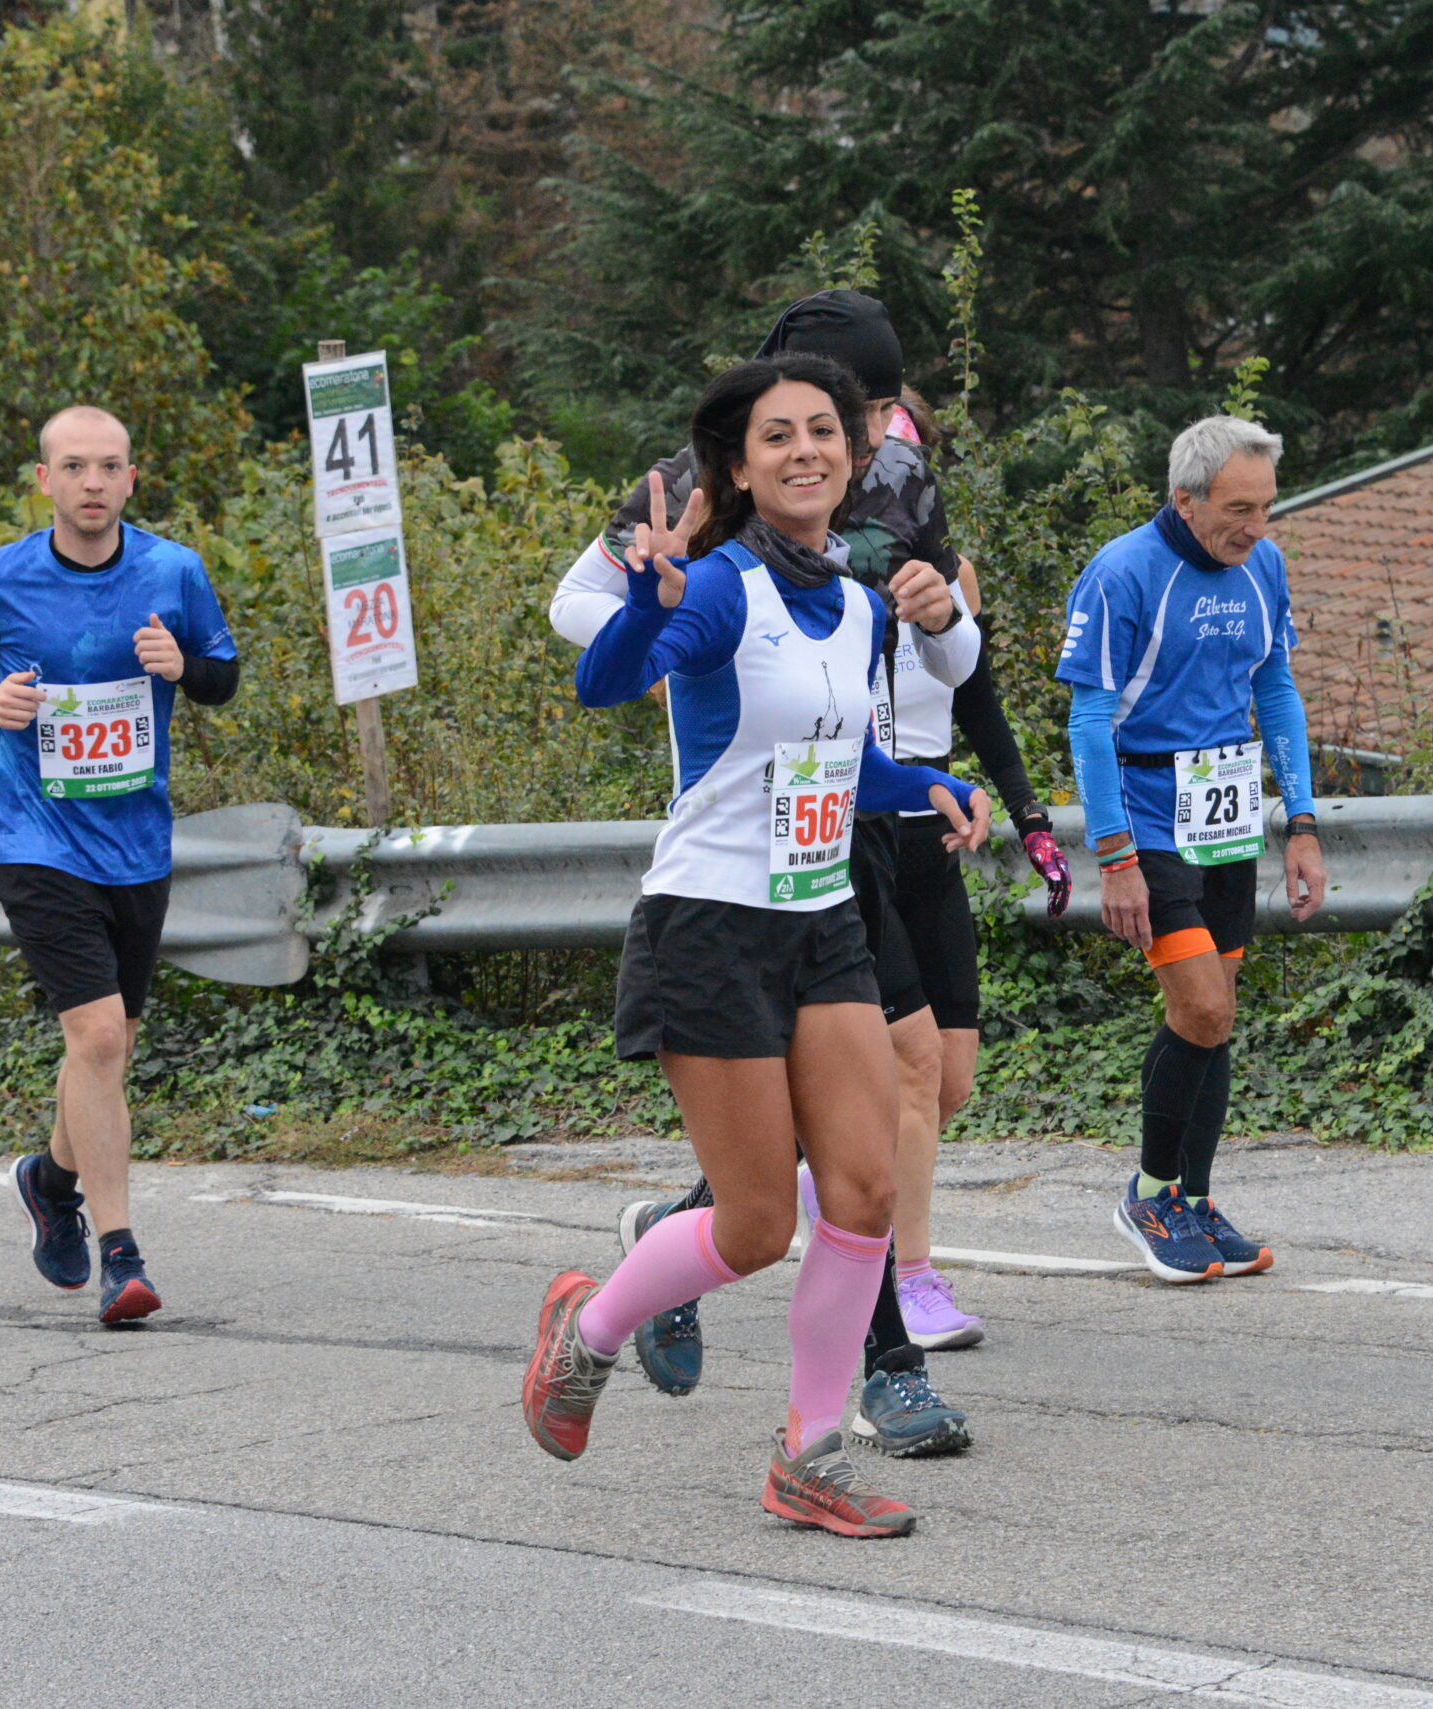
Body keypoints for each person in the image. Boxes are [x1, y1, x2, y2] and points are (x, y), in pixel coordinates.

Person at [550, 291, 1068, 1456]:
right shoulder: (721, 580)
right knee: (748, 1226)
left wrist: (926, 785)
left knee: (865, 1190)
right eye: (777, 435)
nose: (805, 450)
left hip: (820, 908)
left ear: (861, 447)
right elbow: (607, 683)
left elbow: (839, 757)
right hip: (712, 922)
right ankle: (588, 1329)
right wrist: (646, 597)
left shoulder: (849, 600)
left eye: (824, 432)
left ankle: (811, 1452)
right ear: (740, 463)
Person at [0, 406, 241, 1326]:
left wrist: (181, 665)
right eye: (74, 466)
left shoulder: (173, 570)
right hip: (36, 838)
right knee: (99, 1038)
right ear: (45, 480)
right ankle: (122, 1255)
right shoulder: (1, 574)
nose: (93, 483)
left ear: (131, 480)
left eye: (109, 467)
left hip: (136, 844)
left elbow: (224, 675)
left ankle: (49, 1177)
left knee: (106, 1048)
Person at [1059, 415, 1326, 1285]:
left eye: (1267, 508)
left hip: (1228, 814)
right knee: (1203, 1008)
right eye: (1238, 509)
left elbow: (1275, 687)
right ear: (1185, 498)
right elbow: (1090, 718)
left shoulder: (1265, 568)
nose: (1256, 529)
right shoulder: (1123, 572)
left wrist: (1303, 824)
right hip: (1146, 812)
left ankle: (1195, 1199)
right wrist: (1115, 855)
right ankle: (1148, 1191)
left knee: (1214, 1016)